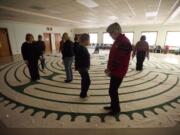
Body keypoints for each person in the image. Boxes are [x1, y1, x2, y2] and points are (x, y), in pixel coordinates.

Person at [104, 23, 132, 116]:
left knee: (113, 90)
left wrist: (109, 70)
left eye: (110, 33)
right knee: (112, 90)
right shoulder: (118, 40)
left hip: (119, 71)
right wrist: (109, 68)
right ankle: (113, 106)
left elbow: (118, 60)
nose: (110, 35)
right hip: (115, 70)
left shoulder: (124, 42)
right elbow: (113, 56)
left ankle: (116, 109)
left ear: (115, 31)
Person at [74, 34, 91, 98]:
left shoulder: (82, 47)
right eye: (88, 40)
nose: (89, 41)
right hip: (83, 68)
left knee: (84, 80)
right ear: (85, 40)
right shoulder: (81, 48)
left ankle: (83, 93)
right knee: (87, 81)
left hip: (83, 68)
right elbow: (78, 59)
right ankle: (83, 94)